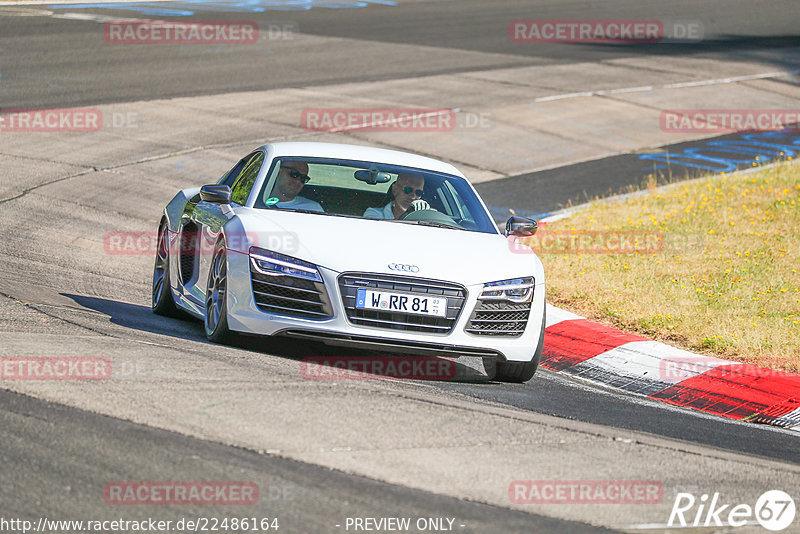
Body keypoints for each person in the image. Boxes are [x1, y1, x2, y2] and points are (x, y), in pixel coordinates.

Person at [363, 172, 430, 219]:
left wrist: (424, 214)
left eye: (418, 192)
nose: (413, 197)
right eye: (408, 190)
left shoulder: (427, 216)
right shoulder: (374, 214)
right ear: (395, 190)